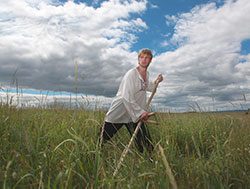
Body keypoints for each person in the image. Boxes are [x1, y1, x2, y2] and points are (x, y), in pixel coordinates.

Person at [99, 49, 163, 154]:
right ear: (138, 59)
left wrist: (157, 81)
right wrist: (141, 112)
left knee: (145, 142)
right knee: (102, 139)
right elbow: (126, 96)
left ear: (150, 60)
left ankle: (148, 161)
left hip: (134, 114)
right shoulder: (131, 74)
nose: (144, 60)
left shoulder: (146, 75)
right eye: (142, 57)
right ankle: (91, 156)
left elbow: (149, 87)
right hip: (120, 112)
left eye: (147, 58)